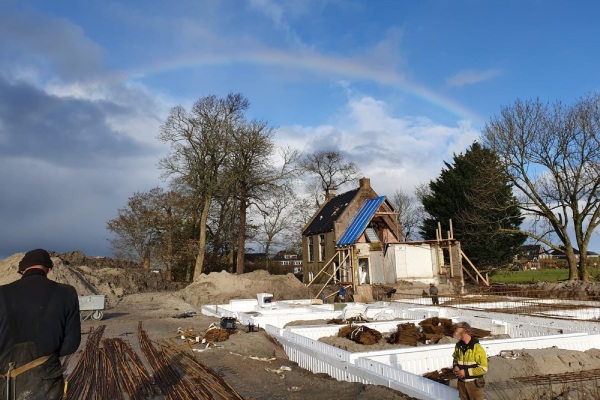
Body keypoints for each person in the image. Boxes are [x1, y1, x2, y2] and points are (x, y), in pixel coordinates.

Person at [0, 249, 81, 399]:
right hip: (46, 382)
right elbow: (71, 343)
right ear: (48, 269)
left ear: (22, 270)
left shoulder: (1, 292)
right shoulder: (67, 292)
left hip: (5, 383)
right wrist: (47, 357)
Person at [452, 322, 488, 400]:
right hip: (462, 384)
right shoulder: (458, 346)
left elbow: (483, 369)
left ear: (465, 332)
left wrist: (466, 372)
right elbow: (455, 358)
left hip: (474, 385)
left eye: (459, 331)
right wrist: (456, 366)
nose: (457, 333)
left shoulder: (477, 348)